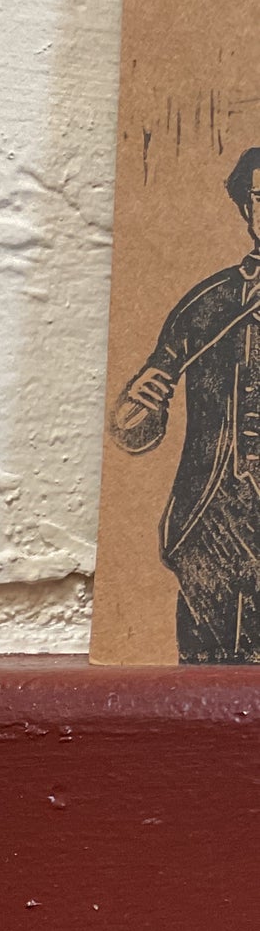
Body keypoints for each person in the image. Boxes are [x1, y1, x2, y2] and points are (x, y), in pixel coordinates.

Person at [110, 148, 260, 662]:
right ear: (246, 207)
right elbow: (137, 428)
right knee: (207, 664)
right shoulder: (209, 303)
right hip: (213, 517)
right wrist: (140, 403)